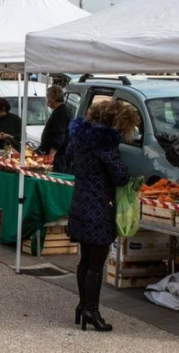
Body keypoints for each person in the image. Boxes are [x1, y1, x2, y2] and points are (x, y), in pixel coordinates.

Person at [66, 99, 136, 332]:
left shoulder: (79, 138)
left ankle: (82, 305)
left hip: (80, 203)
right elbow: (120, 176)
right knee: (96, 263)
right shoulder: (105, 144)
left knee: (85, 259)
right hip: (98, 208)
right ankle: (91, 311)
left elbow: (68, 160)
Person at [38, 86, 72, 173]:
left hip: (58, 156)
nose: (47, 100)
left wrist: (51, 155)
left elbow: (59, 135)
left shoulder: (61, 113)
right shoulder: (61, 110)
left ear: (53, 98)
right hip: (58, 154)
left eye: (48, 97)